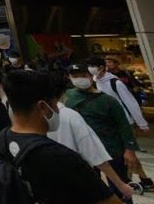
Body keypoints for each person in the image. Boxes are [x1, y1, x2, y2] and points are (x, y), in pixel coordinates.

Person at [0, 69, 120, 204]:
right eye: (55, 104)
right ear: (43, 107)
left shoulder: (4, 137)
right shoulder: (60, 156)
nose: (57, 110)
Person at [51, 69, 134, 202]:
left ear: (91, 76)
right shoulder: (68, 106)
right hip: (84, 160)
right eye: (75, 76)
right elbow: (94, 152)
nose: (79, 79)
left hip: (111, 148)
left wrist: (129, 149)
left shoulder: (107, 100)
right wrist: (122, 186)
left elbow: (123, 125)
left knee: (116, 192)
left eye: (83, 75)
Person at [88, 56, 154, 192]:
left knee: (128, 153)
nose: (91, 69)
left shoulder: (115, 82)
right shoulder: (93, 82)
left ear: (102, 68)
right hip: (108, 124)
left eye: (94, 66)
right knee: (121, 155)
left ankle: (138, 179)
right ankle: (138, 179)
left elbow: (131, 103)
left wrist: (142, 124)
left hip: (124, 123)